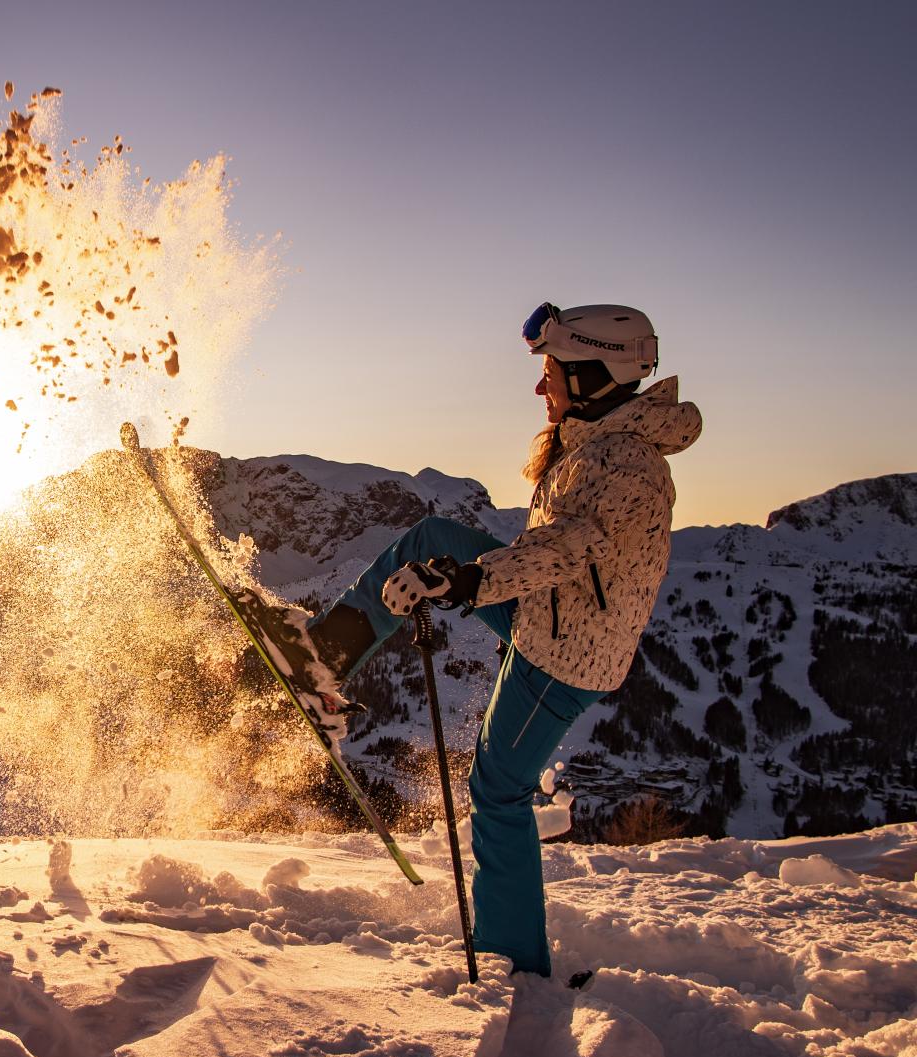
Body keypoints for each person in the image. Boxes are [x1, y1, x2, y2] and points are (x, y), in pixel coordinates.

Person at [244, 301, 702, 976]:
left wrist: (468, 582)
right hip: (549, 618)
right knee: (429, 538)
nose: (541, 387)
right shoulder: (599, 444)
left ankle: (514, 961)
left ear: (593, 373)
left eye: (551, 373)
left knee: (499, 791)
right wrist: (458, 572)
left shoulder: (625, 464)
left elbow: (574, 546)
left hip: (561, 658)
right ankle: (322, 660)